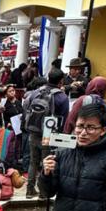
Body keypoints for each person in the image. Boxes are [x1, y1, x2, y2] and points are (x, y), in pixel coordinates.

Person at [23, 69, 70, 197]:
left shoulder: (36, 92)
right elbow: (64, 119)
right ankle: (43, 192)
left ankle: (29, 189)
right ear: (61, 81)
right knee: (47, 162)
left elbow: (26, 108)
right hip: (48, 135)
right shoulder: (62, 97)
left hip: (33, 132)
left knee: (33, 161)